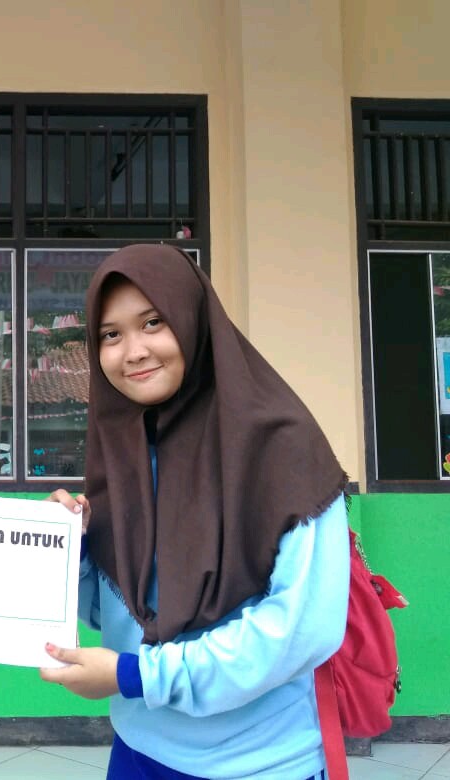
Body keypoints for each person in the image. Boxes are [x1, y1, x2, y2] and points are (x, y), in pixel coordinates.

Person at [40, 244, 350, 779]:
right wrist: (75, 550)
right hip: (138, 750)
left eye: (153, 322)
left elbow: (301, 630)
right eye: (110, 334)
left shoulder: (282, 449)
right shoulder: (125, 454)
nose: (133, 351)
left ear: (193, 320)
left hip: (259, 762)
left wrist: (140, 677)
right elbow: (118, 615)